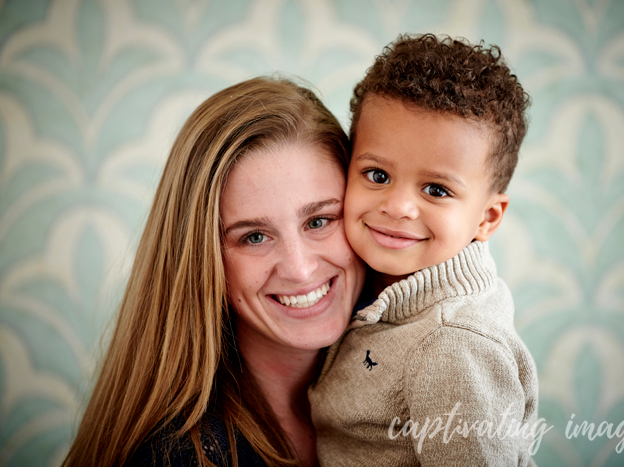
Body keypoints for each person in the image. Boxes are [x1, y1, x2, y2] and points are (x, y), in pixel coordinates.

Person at [62, 77, 365, 467]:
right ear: (203, 261)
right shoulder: (179, 458)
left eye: (320, 220)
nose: (300, 267)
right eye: (254, 237)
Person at [309, 34, 539, 466]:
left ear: (487, 218)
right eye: (377, 175)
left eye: (436, 189)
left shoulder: (453, 347)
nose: (397, 207)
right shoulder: (364, 286)